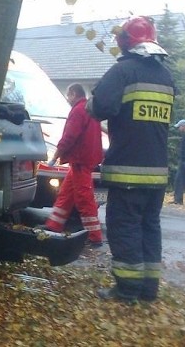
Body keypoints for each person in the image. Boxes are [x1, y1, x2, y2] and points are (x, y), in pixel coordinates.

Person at [87, 16, 175, 303]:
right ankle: (149, 290)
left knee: (124, 227)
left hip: (127, 173)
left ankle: (127, 291)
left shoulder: (123, 71)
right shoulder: (165, 76)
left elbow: (99, 107)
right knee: (149, 228)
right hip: (157, 174)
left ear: (125, 41)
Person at [42, 83, 103, 247]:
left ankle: (94, 236)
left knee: (84, 197)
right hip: (86, 159)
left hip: (80, 160)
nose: (68, 99)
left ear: (74, 94)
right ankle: (53, 225)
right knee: (66, 194)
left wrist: (56, 156)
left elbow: (69, 136)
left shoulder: (77, 110)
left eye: (68, 95)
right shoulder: (90, 109)